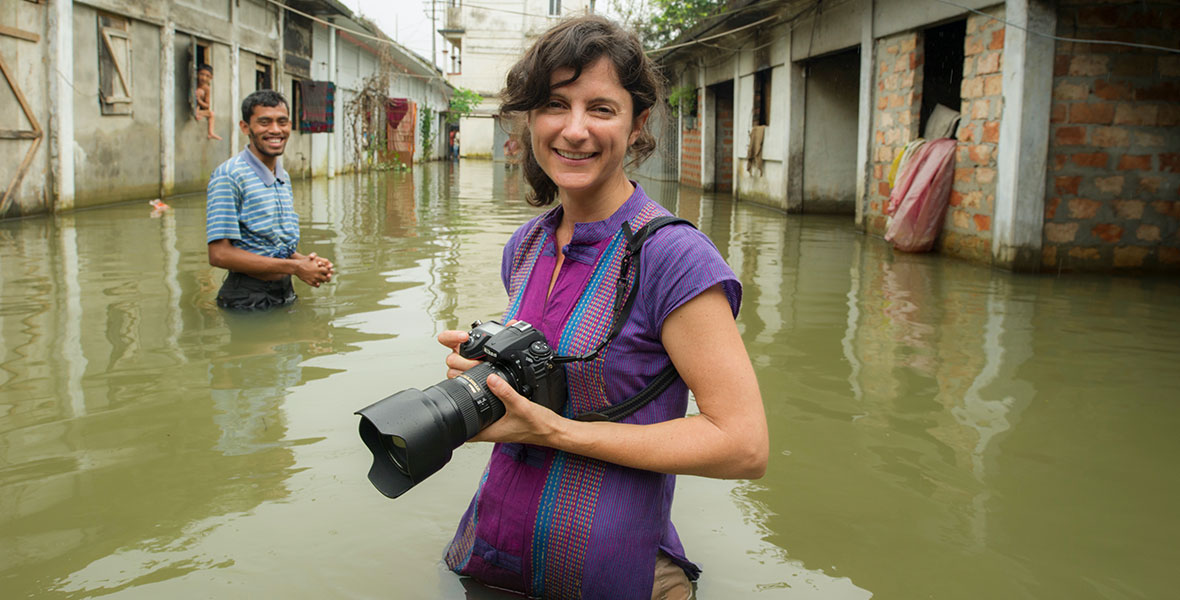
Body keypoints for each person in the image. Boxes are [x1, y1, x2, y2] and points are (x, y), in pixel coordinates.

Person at [435, 16, 767, 600]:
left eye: (602, 108)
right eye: (555, 105)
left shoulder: (674, 258)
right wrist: (488, 384)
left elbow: (743, 445)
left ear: (639, 124)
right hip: (490, 555)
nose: (575, 129)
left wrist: (556, 432)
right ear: (530, 119)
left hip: (610, 574)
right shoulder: (527, 245)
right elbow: (548, 389)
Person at [206, 90, 334, 310]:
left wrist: (305, 262)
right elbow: (219, 254)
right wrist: (295, 268)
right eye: (264, 122)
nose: (275, 130)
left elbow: (271, 244)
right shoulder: (230, 175)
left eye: (282, 122)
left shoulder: (281, 176)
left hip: (283, 290)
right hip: (247, 298)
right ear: (245, 127)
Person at [194, 64, 223, 141]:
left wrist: (199, 101)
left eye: (207, 76)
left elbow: (207, 106)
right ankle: (196, 112)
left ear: (211, 78)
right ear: (197, 74)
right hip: (192, 108)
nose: (203, 78)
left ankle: (211, 132)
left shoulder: (207, 89)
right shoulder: (193, 83)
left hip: (198, 109)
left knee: (211, 114)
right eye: (201, 74)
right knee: (199, 91)